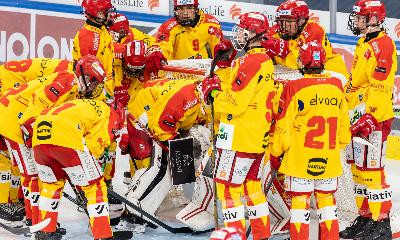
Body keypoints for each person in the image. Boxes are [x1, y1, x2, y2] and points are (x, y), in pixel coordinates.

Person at [0, 55, 106, 229]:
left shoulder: (73, 85)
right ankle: (34, 220)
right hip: (13, 118)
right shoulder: (69, 80)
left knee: (34, 174)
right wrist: (29, 130)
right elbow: (39, 101)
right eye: (94, 82)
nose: (95, 87)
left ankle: (37, 218)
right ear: (85, 76)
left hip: (17, 115)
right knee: (31, 174)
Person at [201, 12, 276, 240]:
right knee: (252, 187)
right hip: (255, 136)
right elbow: (240, 91)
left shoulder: (251, 61)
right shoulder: (263, 60)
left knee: (228, 189)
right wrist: (223, 68)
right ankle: (261, 235)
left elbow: (235, 102)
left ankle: (234, 236)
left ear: (255, 34)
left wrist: (212, 91)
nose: (240, 34)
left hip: (237, 137)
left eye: (244, 29)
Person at [269, 41, 350, 240]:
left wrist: (276, 151)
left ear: (302, 61)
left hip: (299, 161)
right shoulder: (336, 86)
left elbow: (282, 127)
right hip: (328, 160)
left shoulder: (294, 87)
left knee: (299, 206)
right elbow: (344, 132)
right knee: (328, 205)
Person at [340, 1, 397, 239]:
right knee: (359, 171)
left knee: (373, 171)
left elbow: (381, 87)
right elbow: (357, 82)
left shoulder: (383, 44)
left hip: (374, 117)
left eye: (361, 17)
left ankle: (381, 222)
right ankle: (365, 217)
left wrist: (371, 116)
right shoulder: (365, 41)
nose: (357, 21)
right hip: (358, 113)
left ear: (373, 18)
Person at [32, 99, 125, 240]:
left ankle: (46, 232)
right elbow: (95, 145)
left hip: (39, 139)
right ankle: (103, 235)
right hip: (65, 138)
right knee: (95, 187)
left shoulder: (81, 104)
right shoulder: (110, 112)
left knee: (51, 186)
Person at [123, 79, 209, 221]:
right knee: (160, 165)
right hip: (146, 108)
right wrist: (175, 146)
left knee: (175, 157)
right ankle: (136, 207)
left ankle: (141, 198)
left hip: (164, 109)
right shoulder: (187, 99)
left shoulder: (203, 97)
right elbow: (161, 126)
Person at [0, 58, 71, 225]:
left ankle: (16, 198)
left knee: (20, 162)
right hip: (10, 104)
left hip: (15, 101)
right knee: (6, 156)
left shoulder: (66, 72)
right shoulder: (67, 78)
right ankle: (3, 202)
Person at [262, 0, 349, 78]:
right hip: (301, 74)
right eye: (281, 20)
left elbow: (304, 63)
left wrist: (280, 49)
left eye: (289, 21)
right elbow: (260, 44)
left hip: (329, 72)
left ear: (301, 21)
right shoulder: (278, 30)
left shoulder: (314, 30)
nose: (284, 26)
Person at [145, 0, 223, 75]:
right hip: (177, 73)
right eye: (181, 8)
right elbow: (162, 46)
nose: (185, 13)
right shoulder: (168, 28)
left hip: (202, 70)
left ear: (196, 9)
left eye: (189, 8)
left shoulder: (211, 23)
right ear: (175, 10)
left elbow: (219, 52)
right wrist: (156, 52)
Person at [73, 0, 115, 96]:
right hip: (97, 94)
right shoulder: (87, 38)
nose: (110, 14)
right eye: (107, 11)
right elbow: (87, 77)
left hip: (106, 88)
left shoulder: (102, 29)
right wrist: (105, 97)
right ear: (99, 14)